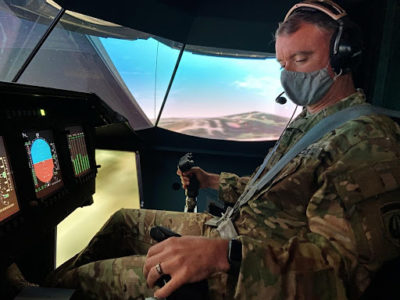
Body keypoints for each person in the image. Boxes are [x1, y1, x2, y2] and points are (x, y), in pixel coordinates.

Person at [44, 0, 400, 299]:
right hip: (233, 235)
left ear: (343, 56)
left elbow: (344, 272)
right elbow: (275, 191)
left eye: (301, 60)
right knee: (122, 220)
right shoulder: (308, 122)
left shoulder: (365, 140)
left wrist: (225, 256)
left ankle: (38, 290)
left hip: (250, 269)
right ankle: (42, 287)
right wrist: (212, 180)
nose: (288, 74)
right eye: (282, 64)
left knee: (83, 282)